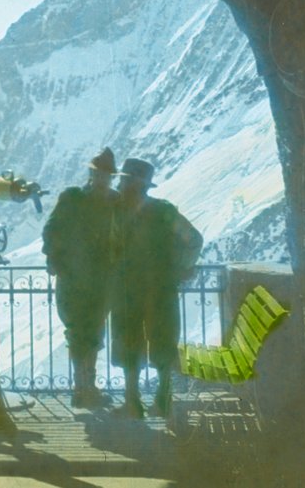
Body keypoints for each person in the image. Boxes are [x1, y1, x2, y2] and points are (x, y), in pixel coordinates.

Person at [110, 158, 203, 418]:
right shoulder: (164, 211)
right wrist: (180, 268)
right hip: (160, 289)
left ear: (132, 183)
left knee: (129, 341)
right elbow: (193, 240)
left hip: (127, 290)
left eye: (124, 180)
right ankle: (162, 400)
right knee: (162, 341)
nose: (120, 183)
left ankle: (133, 402)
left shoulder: (115, 212)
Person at [41, 147, 119, 409]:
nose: (102, 179)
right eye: (99, 174)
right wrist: (54, 260)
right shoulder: (72, 198)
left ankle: (88, 388)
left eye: (106, 175)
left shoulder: (114, 202)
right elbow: (52, 229)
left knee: (93, 334)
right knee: (77, 332)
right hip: (73, 278)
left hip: (100, 280)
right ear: (91, 174)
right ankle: (81, 388)